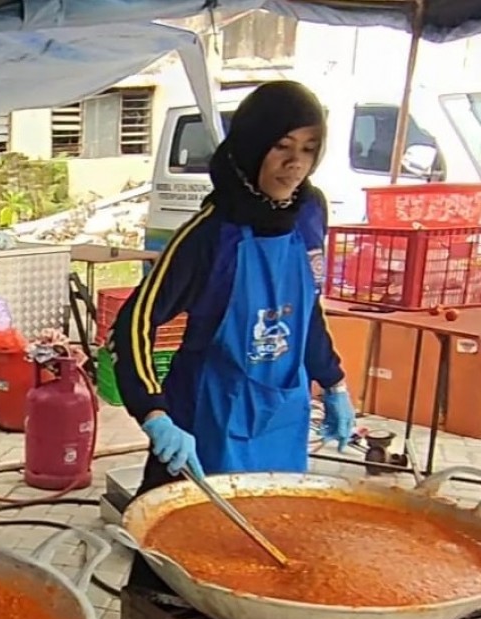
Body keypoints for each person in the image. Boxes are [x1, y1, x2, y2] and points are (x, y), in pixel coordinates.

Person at [111, 81, 355, 588]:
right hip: (205, 417)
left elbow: (306, 308)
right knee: (177, 551)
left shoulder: (310, 214)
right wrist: (155, 414)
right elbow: (136, 319)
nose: (295, 164)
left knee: (272, 539)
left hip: (280, 413)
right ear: (252, 145)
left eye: (309, 149)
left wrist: (333, 383)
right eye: (282, 147)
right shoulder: (210, 233)